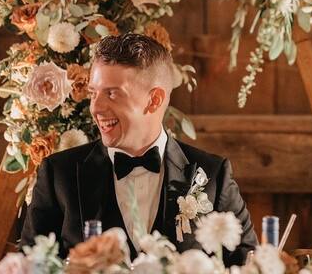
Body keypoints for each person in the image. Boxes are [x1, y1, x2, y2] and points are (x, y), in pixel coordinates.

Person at [20, 33, 258, 264]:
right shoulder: (59, 174)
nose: (96, 108)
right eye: (93, 93)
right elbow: (30, 267)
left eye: (112, 93)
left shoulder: (213, 175)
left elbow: (250, 267)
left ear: (154, 100)